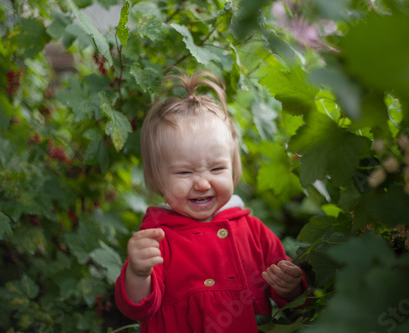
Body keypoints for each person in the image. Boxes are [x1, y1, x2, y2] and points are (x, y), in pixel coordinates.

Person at [115, 70, 309, 333]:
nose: (203, 183)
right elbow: (138, 307)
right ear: (157, 179)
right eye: (185, 172)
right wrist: (138, 273)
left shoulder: (253, 232)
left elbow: (296, 303)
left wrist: (291, 286)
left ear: (233, 169)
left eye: (217, 169)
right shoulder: (159, 238)